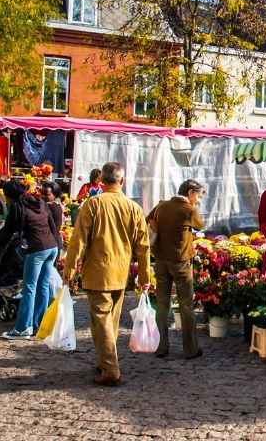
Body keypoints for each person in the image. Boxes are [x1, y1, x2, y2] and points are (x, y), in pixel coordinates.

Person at [61, 162, 151, 386]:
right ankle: (105, 362)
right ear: (121, 180)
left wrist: (69, 269)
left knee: (102, 321)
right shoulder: (133, 208)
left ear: (102, 181)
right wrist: (144, 276)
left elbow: (78, 240)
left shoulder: (93, 204)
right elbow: (143, 245)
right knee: (110, 321)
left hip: (98, 271)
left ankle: (110, 368)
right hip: (120, 272)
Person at [0, 180, 62, 339]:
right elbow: (52, 226)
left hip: (36, 248)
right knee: (43, 286)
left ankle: (23, 328)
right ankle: (40, 326)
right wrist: (53, 245)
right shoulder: (39, 202)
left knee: (30, 287)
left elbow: (7, 232)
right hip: (51, 246)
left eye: (6, 196)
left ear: (11, 196)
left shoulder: (18, 207)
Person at [148, 179, 204, 360]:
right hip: (180, 261)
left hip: (161, 259)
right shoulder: (188, 209)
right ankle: (190, 349)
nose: (199, 199)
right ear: (190, 192)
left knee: (162, 303)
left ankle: (161, 346)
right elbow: (200, 225)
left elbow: (149, 219)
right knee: (186, 304)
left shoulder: (162, 206)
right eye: (198, 195)